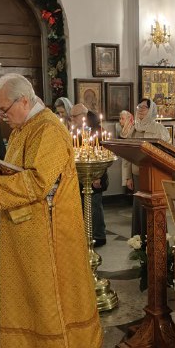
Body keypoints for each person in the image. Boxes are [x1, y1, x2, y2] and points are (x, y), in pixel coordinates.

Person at [0, 73, 103, 348]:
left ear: (24, 101)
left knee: (44, 296)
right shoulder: (24, 127)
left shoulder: (49, 129)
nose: (1, 116)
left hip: (47, 231)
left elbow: (39, 182)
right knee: (25, 294)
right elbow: (15, 170)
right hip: (24, 226)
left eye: (3, 109)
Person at [123, 98, 170, 237]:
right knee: (139, 208)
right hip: (137, 175)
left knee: (154, 209)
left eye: (144, 107)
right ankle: (139, 242)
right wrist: (127, 177)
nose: (140, 110)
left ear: (151, 110)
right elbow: (126, 155)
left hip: (153, 175)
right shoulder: (133, 129)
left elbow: (167, 153)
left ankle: (157, 240)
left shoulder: (159, 130)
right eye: (139, 107)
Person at [71, 102, 109, 247]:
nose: (72, 119)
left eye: (75, 116)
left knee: (94, 206)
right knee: (83, 205)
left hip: (96, 175)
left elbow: (103, 155)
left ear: (83, 115)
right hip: (81, 174)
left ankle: (99, 235)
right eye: (71, 116)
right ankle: (86, 234)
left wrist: (98, 176)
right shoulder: (77, 130)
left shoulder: (97, 130)